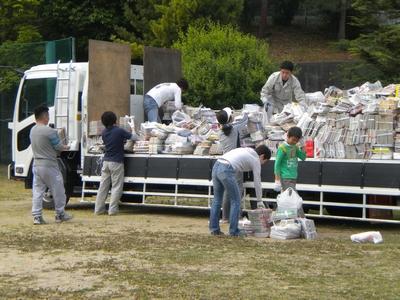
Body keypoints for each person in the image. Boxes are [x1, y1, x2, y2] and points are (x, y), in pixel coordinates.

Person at [209, 145, 271, 237]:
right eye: (264, 161)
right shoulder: (256, 160)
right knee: (236, 201)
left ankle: (214, 229)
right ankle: (234, 231)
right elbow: (257, 181)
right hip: (227, 169)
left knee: (217, 200)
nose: (262, 164)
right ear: (262, 156)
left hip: (217, 165)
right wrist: (259, 200)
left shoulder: (246, 150)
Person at [30, 106, 72, 224]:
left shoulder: (32, 130)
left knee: (38, 191)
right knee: (58, 189)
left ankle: (37, 216)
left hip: (36, 164)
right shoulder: (50, 131)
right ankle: (60, 214)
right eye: (48, 116)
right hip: (49, 164)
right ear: (44, 116)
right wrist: (66, 146)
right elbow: (58, 146)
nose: (48, 118)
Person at [94, 112, 138, 215]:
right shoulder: (119, 131)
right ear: (115, 120)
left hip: (106, 162)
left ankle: (98, 209)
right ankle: (112, 209)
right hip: (116, 162)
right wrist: (133, 128)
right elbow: (134, 137)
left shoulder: (104, 132)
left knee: (103, 187)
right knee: (116, 186)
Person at [216, 107, 248, 223]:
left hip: (224, 162)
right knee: (238, 190)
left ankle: (225, 217)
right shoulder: (235, 129)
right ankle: (237, 217)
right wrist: (246, 111)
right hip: (235, 163)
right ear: (230, 118)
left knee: (227, 190)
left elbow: (228, 125)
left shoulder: (220, 132)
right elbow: (245, 120)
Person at [274, 126, 306, 192]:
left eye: (297, 141)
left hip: (293, 176)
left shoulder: (295, 147)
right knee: (293, 197)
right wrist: (277, 180)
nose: (294, 142)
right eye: (293, 139)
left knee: (288, 199)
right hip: (285, 177)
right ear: (288, 136)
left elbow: (303, 157)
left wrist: (303, 146)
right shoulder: (282, 148)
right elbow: (277, 164)